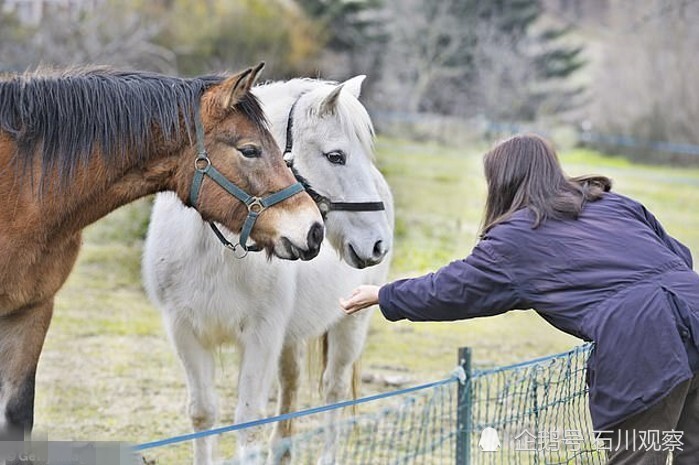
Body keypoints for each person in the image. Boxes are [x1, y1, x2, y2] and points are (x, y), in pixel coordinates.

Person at [340, 134, 699, 465]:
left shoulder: (516, 238)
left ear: (502, 181)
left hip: (644, 341)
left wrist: (385, 294)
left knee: (638, 454)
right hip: (694, 303)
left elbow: (453, 288)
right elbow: (678, 256)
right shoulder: (612, 202)